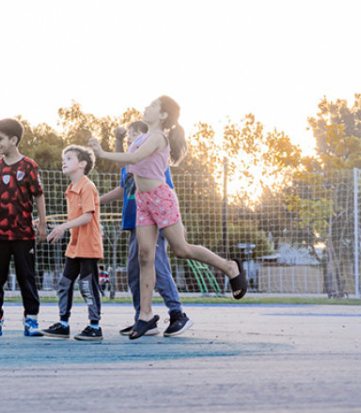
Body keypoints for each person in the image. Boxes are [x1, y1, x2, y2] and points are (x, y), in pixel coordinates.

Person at [89, 95, 247, 340]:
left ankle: (229, 267)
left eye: (152, 106)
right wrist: (118, 141)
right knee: (145, 257)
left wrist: (101, 152)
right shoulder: (141, 137)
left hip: (161, 197)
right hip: (142, 200)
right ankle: (145, 316)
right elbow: (127, 166)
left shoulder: (158, 138)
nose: (146, 107)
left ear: (163, 115)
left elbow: (134, 159)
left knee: (181, 249)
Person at [99, 121, 192, 337]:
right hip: (135, 222)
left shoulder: (154, 163)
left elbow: (166, 192)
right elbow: (123, 188)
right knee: (134, 271)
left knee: (158, 266)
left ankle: (177, 312)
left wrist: (178, 223)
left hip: (155, 222)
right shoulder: (131, 166)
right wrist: (97, 201)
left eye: (135, 135)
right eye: (129, 135)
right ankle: (143, 317)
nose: (131, 138)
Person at [0, 118, 48, 337]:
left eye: (0, 139)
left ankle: (31, 320)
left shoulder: (29, 166)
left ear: (13, 140)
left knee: (26, 276)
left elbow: (38, 195)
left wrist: (43, 224)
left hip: (22, 232)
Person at [42, 145, 104, 341]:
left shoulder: (87, 186)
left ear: (82, 164)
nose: (64, 161)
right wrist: (53, 225)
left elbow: (87, 217)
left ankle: (95, 327)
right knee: (64, 284)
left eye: (69, 158)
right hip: (75, 245)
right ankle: (63, 324)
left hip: (88, 246)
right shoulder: (70, 190)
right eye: (64, 158)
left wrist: (63, 227)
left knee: (87, 286)